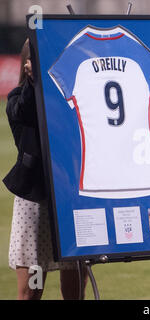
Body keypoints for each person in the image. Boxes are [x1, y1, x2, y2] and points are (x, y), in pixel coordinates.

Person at [3, 39, 87, 300]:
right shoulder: (19, 97)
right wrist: (33, 82)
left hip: (70, 198)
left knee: (73, 290)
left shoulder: (70, 98)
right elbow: (26, 113)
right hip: (35, 201)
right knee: (31, 291)